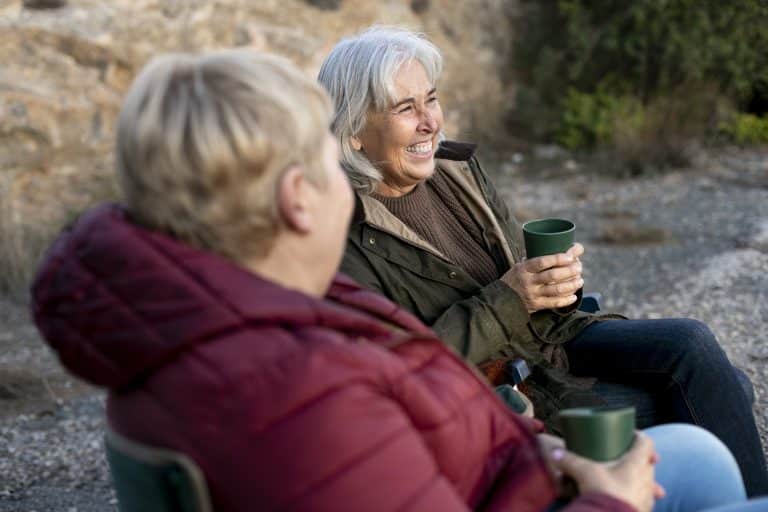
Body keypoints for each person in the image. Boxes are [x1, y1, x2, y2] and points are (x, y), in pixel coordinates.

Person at [28, 47, 767, 512]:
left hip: (514, 453)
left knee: (698, 441)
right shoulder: (301, 391)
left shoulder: (257, 315)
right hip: (528, 463)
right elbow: (421, 392)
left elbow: (424, 399)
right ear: (298, 196)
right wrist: (603, 496)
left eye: (429, 101)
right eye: (325, 162)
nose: (427, 122)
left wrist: (527, 443)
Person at [317, 26, 768, 497]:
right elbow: (401, 369)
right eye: (405, 108)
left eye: (430, 99)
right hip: (504, 389)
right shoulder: (344, 237)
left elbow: (525, 279)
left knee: (692, 345)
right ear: (353, 134)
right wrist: (511, 298)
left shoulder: (457, 169)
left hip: (551, 338)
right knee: (723, 392)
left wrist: (556, 282)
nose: (430, 121)